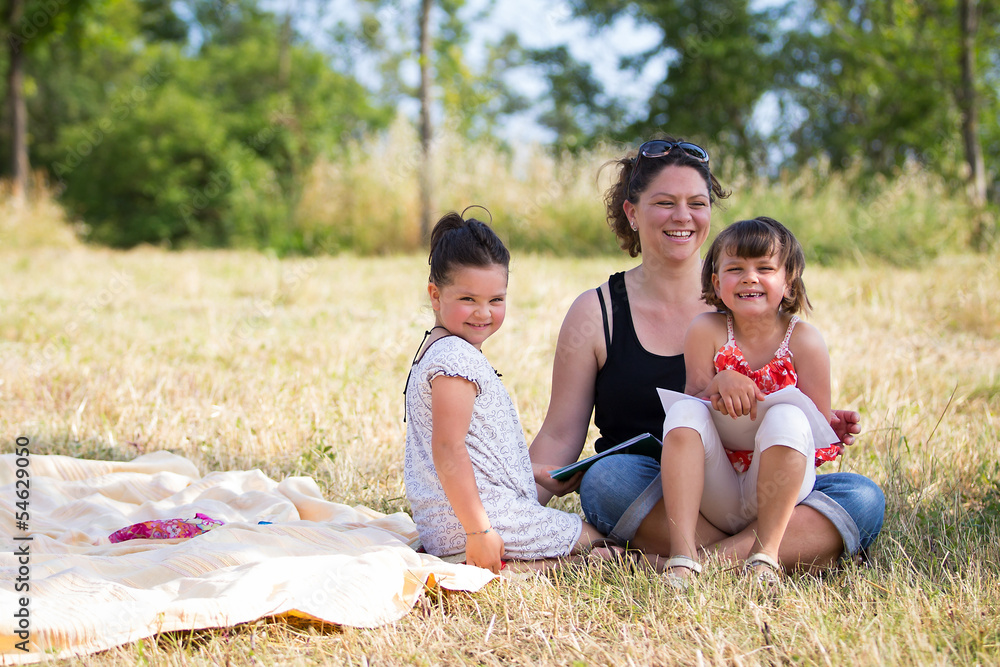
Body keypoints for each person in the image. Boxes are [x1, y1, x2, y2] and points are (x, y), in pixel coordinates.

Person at [528, 138, 885, 572]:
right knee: (605, 481)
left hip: (761, 487)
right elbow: (560, 434)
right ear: (632, 212)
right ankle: (787, 551)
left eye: (696, 203)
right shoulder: (596, 311)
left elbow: (797, 418)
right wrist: (509, 514)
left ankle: (671, 565)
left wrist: (823, 420)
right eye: (665, 202)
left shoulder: (747, 299)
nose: (683, 217)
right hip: (653, 494)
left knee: (862, 497)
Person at [403, 210, 609, 574]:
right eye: (468, 299)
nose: (483, 313)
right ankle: (496, 563)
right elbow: (447, 448)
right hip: (475, 518)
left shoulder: (443, 348)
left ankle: (498, 561)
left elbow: (473, 448)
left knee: (588, 545)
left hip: (458, 517)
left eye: (496, 300)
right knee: (600, 542)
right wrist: (479, 530)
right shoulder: (454, 360)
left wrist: (534, 474)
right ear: (435, 296)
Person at [660, 216, 841, 585]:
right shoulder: (707, 331)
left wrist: (835, 424)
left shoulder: (804, 340)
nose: (750, 277)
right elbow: (695, 401)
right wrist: (720, 381)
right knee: (682, 411)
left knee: (789, 417)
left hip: (778, 487)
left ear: (788, 281)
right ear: (716, 281)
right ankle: (683, 559)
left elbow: (820, 430)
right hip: (719, 486)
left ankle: (765, 557)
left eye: (765, 268)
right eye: (735, 268)